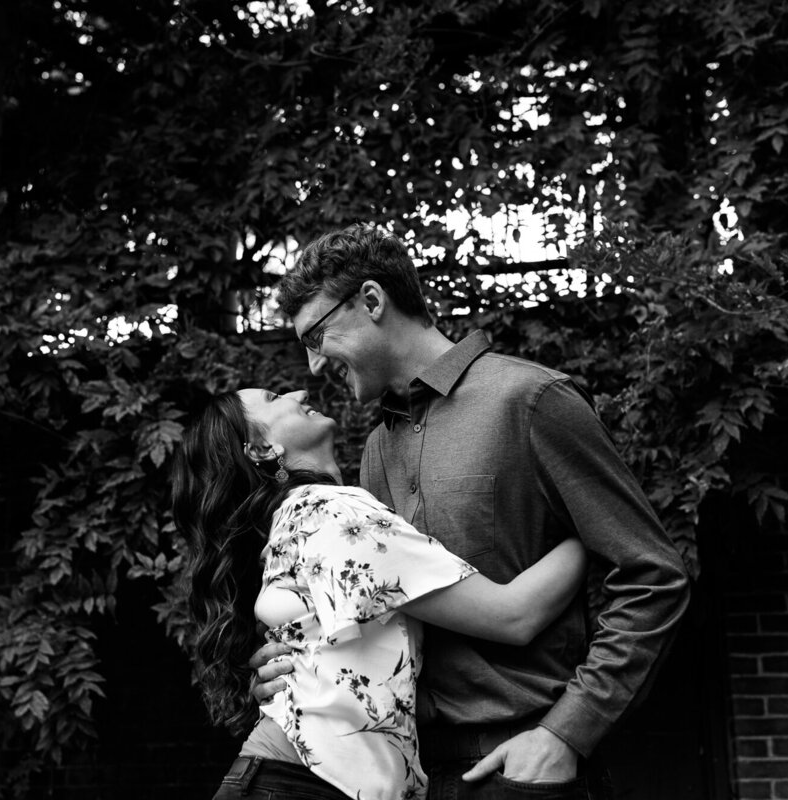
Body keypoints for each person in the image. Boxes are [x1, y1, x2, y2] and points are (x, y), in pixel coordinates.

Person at [250, 223, 691, 799]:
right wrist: (292, 658)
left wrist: (566, 732)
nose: (312, 367)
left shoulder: (532, 401)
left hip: (520, 770)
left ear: (372, 301)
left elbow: (652, 575)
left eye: (317, 336)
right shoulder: (378, 449)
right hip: (414, 776)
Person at [171, 387, 588, 800]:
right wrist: (595, 530)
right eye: (274, 396)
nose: (298, 390)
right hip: (302, 785)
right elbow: (514, 616)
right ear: (262, 449)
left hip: (294, 778)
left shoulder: (298, 518)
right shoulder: (336, 513)